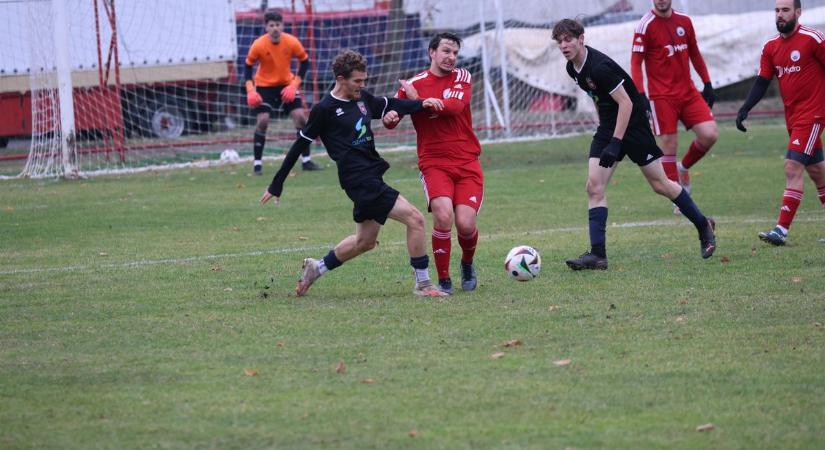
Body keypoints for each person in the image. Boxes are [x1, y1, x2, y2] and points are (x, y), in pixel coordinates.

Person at [260, 50, 448, 297]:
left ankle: (316, 268)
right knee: (416, 219)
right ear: (340, 79)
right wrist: (277, 183)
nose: (362, 85)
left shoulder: (362, 99)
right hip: (358, 179)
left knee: (365, 242)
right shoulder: (324, 109)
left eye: (364, 81)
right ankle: (424, 285)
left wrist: (421, 104)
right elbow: (299, 145)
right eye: (357, 81)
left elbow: (391, 104)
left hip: (371, 175)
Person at [551, 19, 716, 270]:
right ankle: (598, 255)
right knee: (594, 187)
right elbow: (598, 99)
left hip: (634, 126)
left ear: (581, 38)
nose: (564, 45)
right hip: (610, 126)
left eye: (568, 39)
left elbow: (626, 103)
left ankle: (703, 225)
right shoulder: (572, 68)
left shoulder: (599, 67)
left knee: (660, 184)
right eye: (560, 41)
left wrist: (616, 142)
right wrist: (606, 133)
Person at [382, 32, 482, 295]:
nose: (451, 57)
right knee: (443, 215)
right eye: (446, 51)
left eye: (455, 53)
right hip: (434, 163)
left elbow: (454, 107)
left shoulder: (462, 77)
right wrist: (393, 115)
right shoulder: (413, 84)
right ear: (432, 53)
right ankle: (445, 279)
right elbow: (392, 116)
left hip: (466, 161)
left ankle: (468, 264)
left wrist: (421, 103)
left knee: (466, 224)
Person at [736, 0, 825, 245]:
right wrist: (745, 108)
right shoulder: (771, 46)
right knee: (818, 172)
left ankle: (781, 230)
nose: (780, 15)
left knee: (792, 167)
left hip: (814, 114)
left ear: (798, 12)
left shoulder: (813, 39)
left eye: (785, 10)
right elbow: (763, 80)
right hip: (793, 118)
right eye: (777, 10)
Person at [630, 0, 718, 213]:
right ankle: (679, 197)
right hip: (662, 96)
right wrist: (641, 95)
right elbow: (635, 63)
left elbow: (695, 53)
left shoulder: (684, 21)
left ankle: (683, 167)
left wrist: (706, 82)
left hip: (688, 92)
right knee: (669, 144)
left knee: (710, 134)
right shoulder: (645, 25)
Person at [245, 10, 323, 175]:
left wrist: (294, 85)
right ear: (266, 27)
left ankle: (306, 161)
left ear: (282, 25)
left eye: (278, 25)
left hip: (287, 85)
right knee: (263, 120)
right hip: (264, 86)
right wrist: (250, 90)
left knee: (300, 118)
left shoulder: (291, 41)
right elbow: (248, 66)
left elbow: (304, 61)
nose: (275, 28)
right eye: (271, 25)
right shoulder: (258, 44)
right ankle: (257, 165)